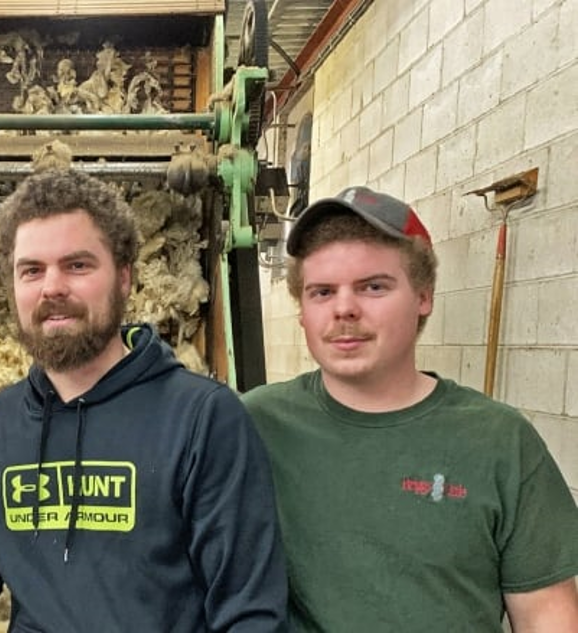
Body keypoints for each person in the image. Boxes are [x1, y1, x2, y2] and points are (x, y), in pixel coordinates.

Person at [0, 169, 288, 631]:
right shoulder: (0, 423)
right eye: (32, 270)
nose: (52, 288)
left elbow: (249, 612)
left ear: (124, 277)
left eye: (77, 265)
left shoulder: (202, 417)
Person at [242, 186, 578, 632]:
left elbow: (546, 615)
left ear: (424, 296)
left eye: (373, 287)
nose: (344, 309)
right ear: (302, 311)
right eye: (322, 292)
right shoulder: (252, 425)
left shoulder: (499, 441)